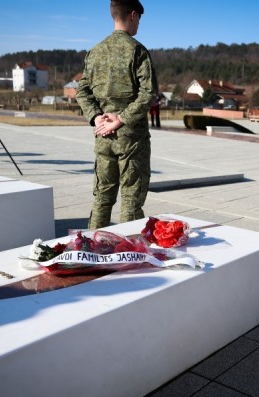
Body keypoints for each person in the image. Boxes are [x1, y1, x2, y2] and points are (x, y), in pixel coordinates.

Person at [76, 0, 158, 229]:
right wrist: (121, 119)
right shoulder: (137, 50)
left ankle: (91, 249)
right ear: (133, 15)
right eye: (139, 19)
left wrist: (96, 117)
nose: (139, 25)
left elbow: (82, 91)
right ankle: (128, 254)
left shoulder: (95, 52)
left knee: (102, 196)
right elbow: (148, 92)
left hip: (103, 135)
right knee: (131, 200)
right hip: (131, 138)